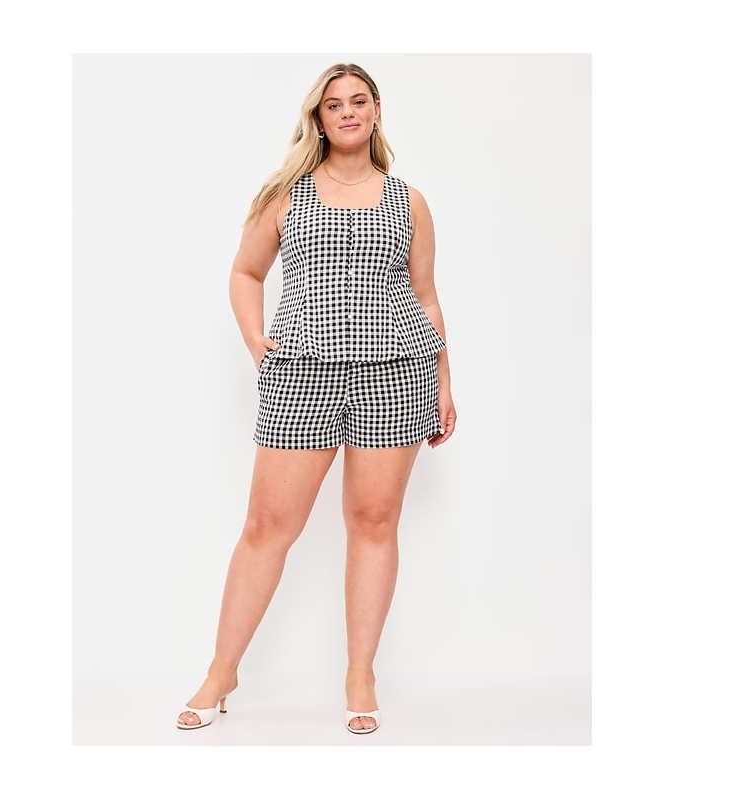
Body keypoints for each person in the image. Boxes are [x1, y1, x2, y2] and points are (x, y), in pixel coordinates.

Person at [176, 62, 456, 735]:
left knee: (374, 521)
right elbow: (246, 272)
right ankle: (221, 671)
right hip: (301, 374)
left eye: (359, 101)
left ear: (376, 109)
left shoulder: (409, 201)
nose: (348, 112)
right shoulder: (286, 195)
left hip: (397, 374)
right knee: (267, 526)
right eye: (335, 104)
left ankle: (361, 673)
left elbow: (425, 295)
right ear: (319, 117)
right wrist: (257, 342)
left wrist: (445, 382)